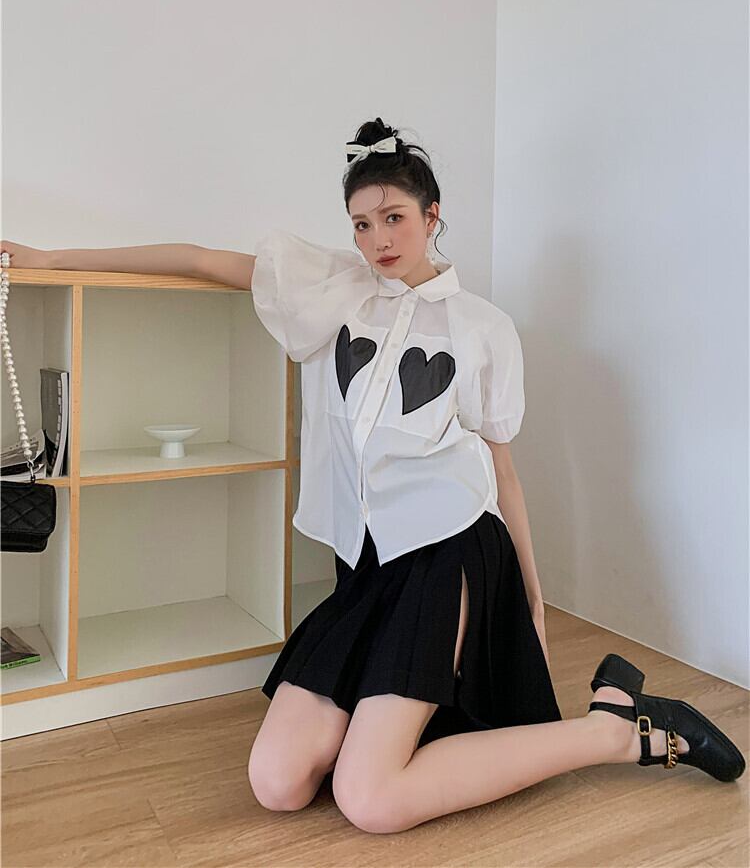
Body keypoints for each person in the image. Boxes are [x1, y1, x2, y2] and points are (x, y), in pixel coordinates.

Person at [2, 117, 744, 836]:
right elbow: (201, 259)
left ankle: (614, 730)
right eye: (362, 224)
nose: (378, 239)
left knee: (370, 798)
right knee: (278, 783)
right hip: (366, 567)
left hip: (450, 552)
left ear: (432, 216)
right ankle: (400, 726)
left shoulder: (483, 328)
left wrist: (533, 600)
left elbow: (502, 471)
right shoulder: (335, 292)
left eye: (394, 218)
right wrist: (48, 257)